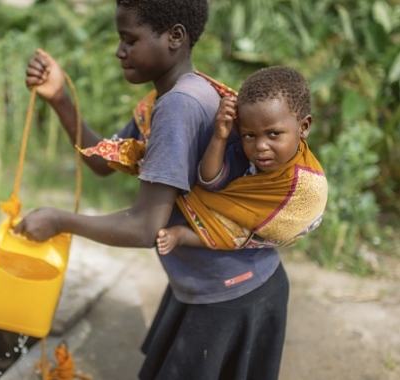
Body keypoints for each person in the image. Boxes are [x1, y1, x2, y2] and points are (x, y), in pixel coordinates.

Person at [17, 1, 288, 379]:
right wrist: (60, 96)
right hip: (221, 282)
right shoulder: (172, 97)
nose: (119, 51)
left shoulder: (179, 107)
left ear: (175, 36)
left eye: (130, 39)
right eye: (119, 39)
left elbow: (145, 228)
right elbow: (102, 162)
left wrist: (58, 220)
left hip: (228, 291)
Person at [156, 66, 328, 254]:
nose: (260, 146)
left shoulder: (305, 184)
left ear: (303, 127)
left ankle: (182, 235)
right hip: (240, 224)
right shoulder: (244, 154)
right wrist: (219, 136)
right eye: (249, 136)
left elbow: (311, 205)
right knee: (230, 232)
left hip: (285, 223)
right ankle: (182, 235)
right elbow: (210, 182)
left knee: (236, 235)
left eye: (273, 134)